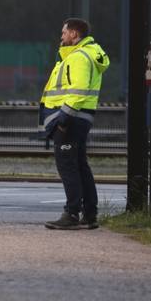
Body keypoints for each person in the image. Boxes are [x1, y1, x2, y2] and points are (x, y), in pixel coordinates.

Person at [39, 18, 109, 230]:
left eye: (64, 33)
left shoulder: (78, 57)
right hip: (80, 118)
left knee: (68, 167)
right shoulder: (85, 55)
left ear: (75, 34)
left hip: (71, 119)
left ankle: (71, 214)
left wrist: (63, 119)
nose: (61, 37)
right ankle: (90, 213)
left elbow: (77, 91)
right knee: (80, 165)